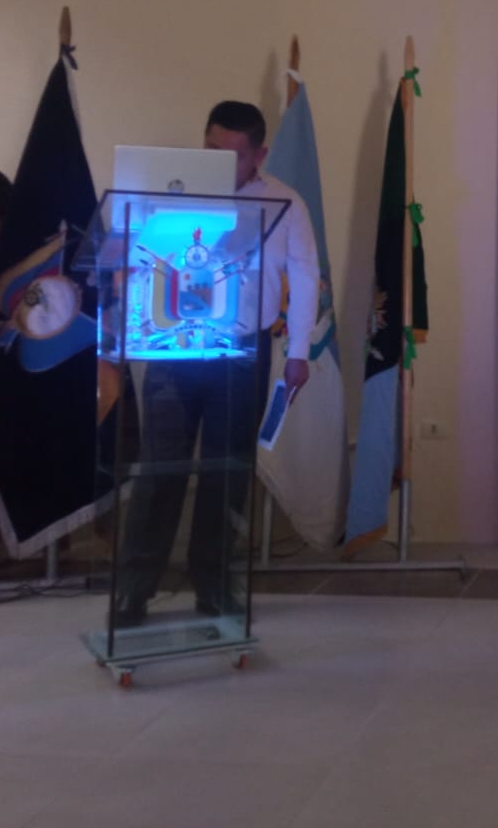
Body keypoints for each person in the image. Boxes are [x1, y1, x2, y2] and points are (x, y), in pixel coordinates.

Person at [114, 100, 319, 627]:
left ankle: (214, 583)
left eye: (234, 155)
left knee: (227, 472)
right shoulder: (169, 189)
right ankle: (134, 588)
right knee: (161, 470)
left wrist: (298, 353)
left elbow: (306, 277)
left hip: (243, 351)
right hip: (173, 348)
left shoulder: (284, 201)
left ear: (260, 155)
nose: (220, 163)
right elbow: (127, 251)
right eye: (211, 149)